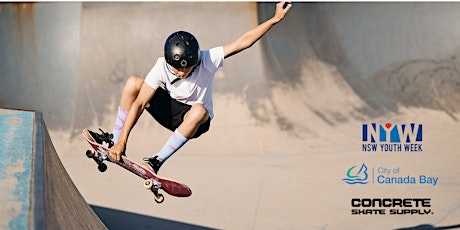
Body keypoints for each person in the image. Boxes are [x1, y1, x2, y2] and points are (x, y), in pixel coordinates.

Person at [92, 1, 291, 174]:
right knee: (134, 82)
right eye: (176, 68)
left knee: (198, 110)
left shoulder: (208, 59)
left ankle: (156, 160)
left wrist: (274, 19)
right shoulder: (161, 66)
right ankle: (114, 141)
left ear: (194, 62)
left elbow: (243, 42)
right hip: (169, 112)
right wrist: (123, 141)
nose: (180, 72)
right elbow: (140, 103)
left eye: (185, 70)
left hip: (196, 122)